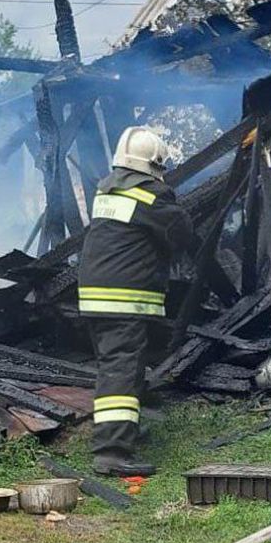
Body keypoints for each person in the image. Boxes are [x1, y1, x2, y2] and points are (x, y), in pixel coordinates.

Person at [77, 125, 194, 477]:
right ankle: (111, 452)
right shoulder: (151, 197)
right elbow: (183, 232)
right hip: (123, 299)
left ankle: (123, 432)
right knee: (121, 371)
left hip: (97, 295)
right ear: (154, 164)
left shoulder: (107, 190)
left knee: (121, 365)